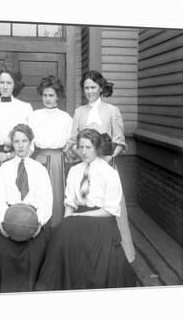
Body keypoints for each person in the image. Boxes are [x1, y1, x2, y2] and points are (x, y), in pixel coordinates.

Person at [35, 129, 137, 291]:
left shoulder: (109, 173)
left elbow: (110, 210)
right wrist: (67, 220)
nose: (84, 152)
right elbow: (70, 203)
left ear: (97, 148)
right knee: (62, 234)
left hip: (102, 219)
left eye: (88, 147)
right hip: (77, 217)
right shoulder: (75, 171)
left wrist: (78, 217)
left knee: (89, 245)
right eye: (81, 147)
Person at [67, 70, 135, 263]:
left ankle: (120, 254)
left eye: (93, 87)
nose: (89, 91)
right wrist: (81, 155)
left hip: (106, 165)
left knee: (113, 207)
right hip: (84, 165)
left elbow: (120, 141)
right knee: (85, 203)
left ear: (101, 88)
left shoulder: (112, 110)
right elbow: (73, 140)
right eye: (86, 87)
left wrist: (108, 159)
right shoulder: (79, 112)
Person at [0, 124, 53, 293]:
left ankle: (31, 291)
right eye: (16, 141)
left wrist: (38, 223)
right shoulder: (4, 169)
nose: (21, 145)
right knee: (1, 250)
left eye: (24, 141)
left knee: (36, 249)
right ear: (12, 144)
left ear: (30, 143)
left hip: (32, 221)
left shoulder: (40, 169)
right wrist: (2, 224)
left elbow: (46, 200)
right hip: (9, 220)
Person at [0, 67, 33, 232]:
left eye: (8, 82)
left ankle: (18, 229)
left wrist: (13, 154)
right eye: (1, 82)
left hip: (18, 155)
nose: (5, 86)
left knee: (16, 194)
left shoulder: (25, 107)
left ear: (15, 85)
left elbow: (30, 136)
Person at [28, 76, 73, 229]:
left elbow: (70, 141)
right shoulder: (34, 115)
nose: (48, 99)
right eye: (45, 95)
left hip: (57, 160)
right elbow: (29, 141)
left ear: (58, 97)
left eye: (51, 95)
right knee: (38, 193)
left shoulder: (65, 117)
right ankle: (38, 226)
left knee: (56, 194)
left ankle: (56, 228)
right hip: (38, 157)